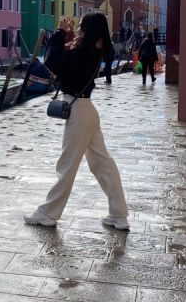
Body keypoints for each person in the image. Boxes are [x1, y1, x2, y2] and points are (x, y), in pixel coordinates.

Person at [24, 12, 129, 230]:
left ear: (89, 31)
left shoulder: (86, 52)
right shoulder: (93, 50)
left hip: (80, 112)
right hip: (86, 110)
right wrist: (68, 34)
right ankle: (119, 215)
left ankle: (47, 213)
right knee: (103, 165)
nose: (79, 29)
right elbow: (68, 58)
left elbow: (53, 61)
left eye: (82, 27)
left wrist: (60, 33)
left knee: (67, 165)